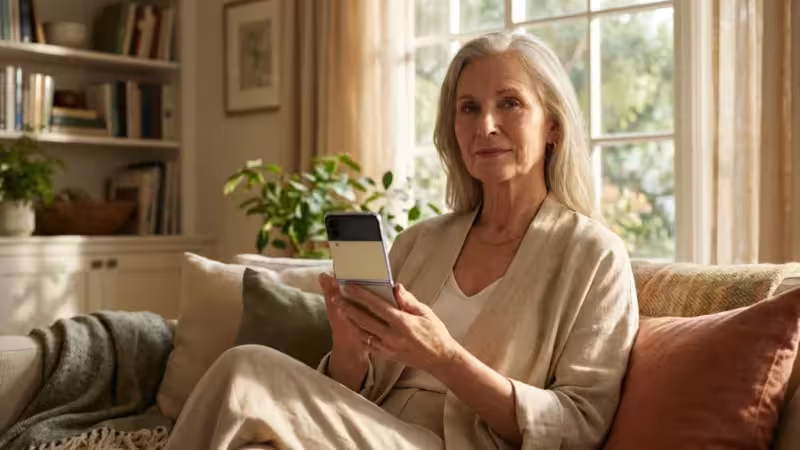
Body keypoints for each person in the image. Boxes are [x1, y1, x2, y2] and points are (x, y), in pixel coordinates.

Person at [166, 31, 639, 450]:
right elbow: (357, 390)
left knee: (247, 368)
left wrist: (444, 357)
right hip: (370, 430)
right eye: (468, 108)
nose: (485, 125)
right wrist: (350, 348)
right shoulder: (421, 242)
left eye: (509, 103)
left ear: (552, 125)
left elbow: (580, 426)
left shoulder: (594, 257)